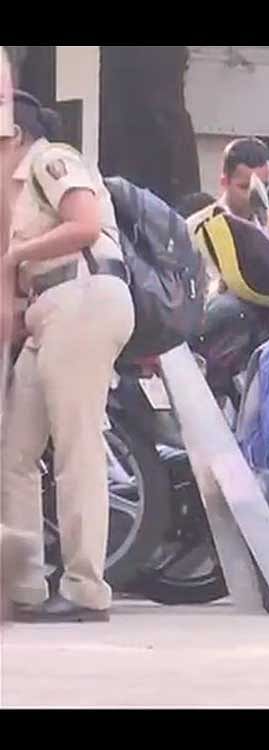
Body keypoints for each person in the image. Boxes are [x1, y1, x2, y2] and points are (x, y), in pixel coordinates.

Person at [1, 90, 135, 623]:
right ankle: (27, 584)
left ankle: (85, 587)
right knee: (15, 453)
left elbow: (84, 224)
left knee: (75, 446)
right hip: (44, 314)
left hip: (83, 297)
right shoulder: (11, 193)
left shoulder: (51, 158)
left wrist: (15, 254)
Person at [186, 137, 269, 293]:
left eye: (265, 186)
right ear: (224, 182)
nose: (255, 196)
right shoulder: (194, 229)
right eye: (244, 187)